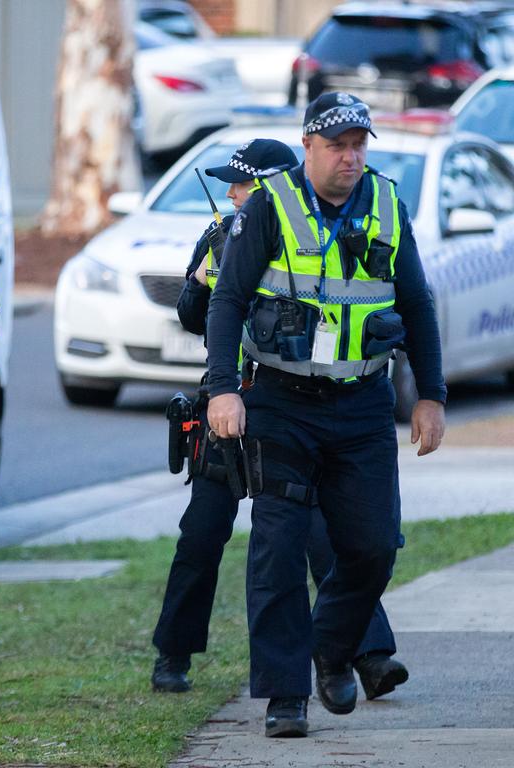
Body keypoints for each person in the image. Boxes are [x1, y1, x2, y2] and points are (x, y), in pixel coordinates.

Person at [205, 93, 446, 738]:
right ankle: (286, 696)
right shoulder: (270, 205)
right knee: (279, 547)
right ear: (307, 146)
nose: (351, 156)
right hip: (281, 402)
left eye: (359, 144)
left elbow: (418, 304)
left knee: (372, 546)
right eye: (338, 145)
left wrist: (431, 394)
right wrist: (222, 389)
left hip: (363, 404)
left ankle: (332, 648)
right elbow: (226, 301)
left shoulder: (388, 204)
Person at [152, 140, 407, 719]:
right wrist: (201, 277)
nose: (232, 196)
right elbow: (196, 316)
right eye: (230, 187)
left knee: (323, 537)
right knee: (202, 533)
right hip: (227, 413)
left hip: (288, 412)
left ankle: (366, 655)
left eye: (241, 186)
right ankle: (173, 654)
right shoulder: (223, 234)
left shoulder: (309, 230)